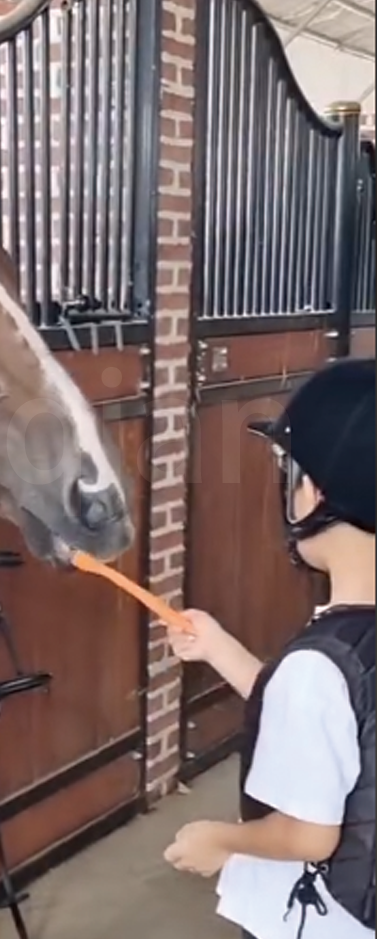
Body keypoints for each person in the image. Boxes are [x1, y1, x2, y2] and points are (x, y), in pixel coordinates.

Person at [162, 357, 376, 939]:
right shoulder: (338, 658)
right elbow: (334, 730)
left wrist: (220, 840)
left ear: (314, 492)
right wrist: (221, 648)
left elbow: (308, 833)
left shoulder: (316, 668)